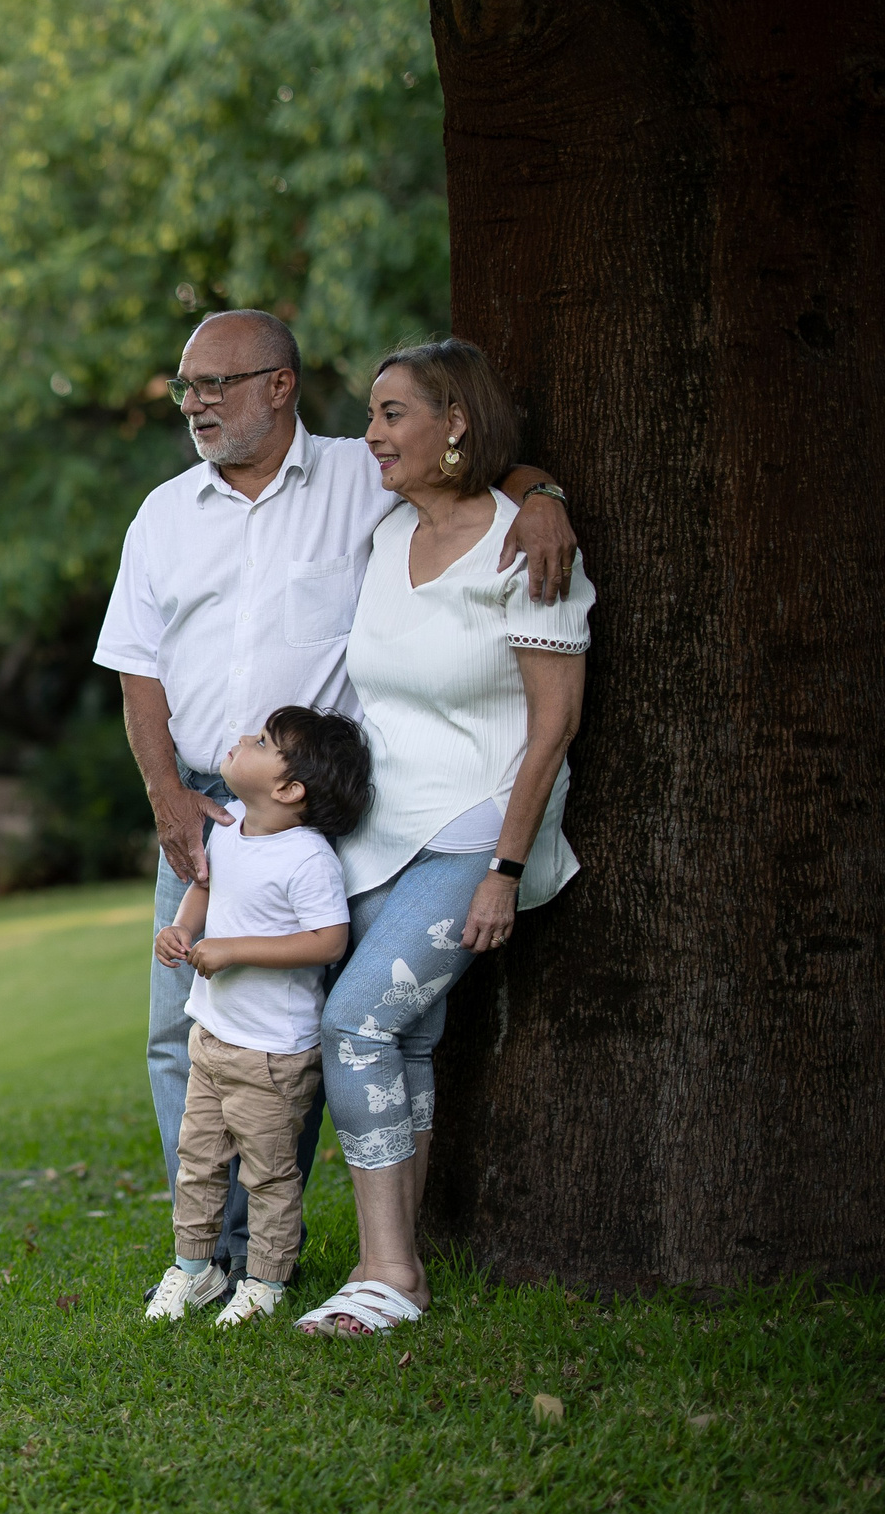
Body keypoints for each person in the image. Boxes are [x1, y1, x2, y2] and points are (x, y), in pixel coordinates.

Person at [94, 310, 578, 1288]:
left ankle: (274, 1246)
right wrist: (166, 803)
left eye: (214, 384)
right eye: (186, 387)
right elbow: (135, 672)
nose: (194, 404)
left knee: (289, 1029)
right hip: (194, 807)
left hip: (316, 818)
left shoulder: (366, 480)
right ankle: (210, 1252)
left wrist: (545, 495)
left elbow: (473, 472)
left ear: (278, 386)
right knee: (177, 1029)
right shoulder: (161, 515)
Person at [294, 338, 594, 1336]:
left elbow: (552, 723)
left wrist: (505, 869)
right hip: (382, 827)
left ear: (453, 423)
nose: (370, 434)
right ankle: (403, 1259)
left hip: (477, 825)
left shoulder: (525, 539)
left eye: (390, 415)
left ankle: (388, 1273)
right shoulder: (386, 538)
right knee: (407, 1035)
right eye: (372, 415)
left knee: (355, 1023)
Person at [145, 706, 371, 1327]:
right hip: (212, 1037)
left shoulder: (307, 859)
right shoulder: (232, 822)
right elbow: (207, 888)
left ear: (289, 789)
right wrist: (181, 929)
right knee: (199, 1162)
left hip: (272, 1053)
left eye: (264, 741)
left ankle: (266, 1280)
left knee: (268, 1175)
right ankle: (196, 1270)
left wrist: (234, 951)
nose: (245, 738)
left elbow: (328, 941)